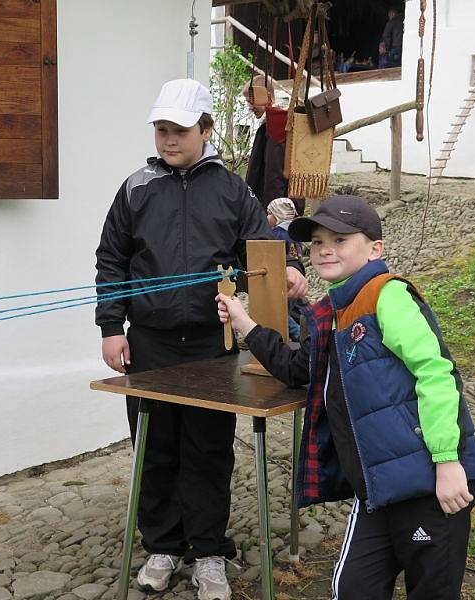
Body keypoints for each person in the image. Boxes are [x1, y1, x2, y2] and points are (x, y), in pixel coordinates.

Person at [216, 195, 475, 599]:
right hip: (378, 487)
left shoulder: (386, 295)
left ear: (375, 248)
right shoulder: (331, 311)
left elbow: (435, 374)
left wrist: (448, 462)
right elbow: (299, 371)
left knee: (432, 590)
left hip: (430, 484)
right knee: (353, 588)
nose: (325, 249)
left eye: (340, 239)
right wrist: (245, 322)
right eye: (317, 242)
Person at [95, 78, 308, 600]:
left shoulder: (232, 189)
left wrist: (290, 268)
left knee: (208, 447)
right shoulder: (136, 188)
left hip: (213, 345)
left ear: (206, 130)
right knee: (155, 447)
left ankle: (209, 552)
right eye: (161, 130)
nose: (168, 140)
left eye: (180, 130)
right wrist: (110, 328)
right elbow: (111, 260)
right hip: (149, 341)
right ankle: (163, 545)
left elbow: (261, 245)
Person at [243, 75, 291, 212]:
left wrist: (273, 211)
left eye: (252, 101)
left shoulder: (277, 125)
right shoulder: (269, 124)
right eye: (248, 102)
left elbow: (274, 173)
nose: (250, 107)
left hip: (275, 208)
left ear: (267, 96)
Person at [266, 197, 307, 342]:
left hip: (283, 278)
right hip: (297, 276)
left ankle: (299, 336)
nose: (267, 217)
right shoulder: (295, 232)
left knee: (281, 311)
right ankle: (310, 328)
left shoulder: (276, 234)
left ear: (278, 214)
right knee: (299, 308)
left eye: (270, 214)